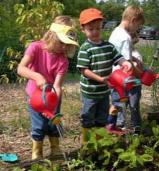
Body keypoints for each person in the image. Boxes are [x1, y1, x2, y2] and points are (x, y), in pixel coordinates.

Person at [17, 15, 78, 160]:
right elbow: (20, 68)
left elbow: (57, 85)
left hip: (52, 97)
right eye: (62, 42)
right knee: (39, 125)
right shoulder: (35, 47)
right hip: (35, 97)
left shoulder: (62, 59)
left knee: (53, 123)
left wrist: (54, 105)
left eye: (67, 45)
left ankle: (55, 149)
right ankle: (37, 153)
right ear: (52, 35)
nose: (64, 47)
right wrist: (37, 77)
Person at [76, 8, 132, 143]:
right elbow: (84, 70)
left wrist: (125, 63)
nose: (95, 32)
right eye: (91, 29)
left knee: (102, 116)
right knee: (88, 116)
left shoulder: (108, 46)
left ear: (102, 27)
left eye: (98, 28)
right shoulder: (85, 49)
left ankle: (99, 141)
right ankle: (87, 143)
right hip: (90, 91)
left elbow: (118, 57)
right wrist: (100, 79)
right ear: (83, 29)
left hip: (104, 90)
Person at [108, 5, 145, 133]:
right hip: (125, 79)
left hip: (114, 77)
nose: (137, 29)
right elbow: (127, 64)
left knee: (117, 104)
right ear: (133, 20)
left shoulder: (115, 32)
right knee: (129, 104)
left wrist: (134, 59)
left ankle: (116, 127)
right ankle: (132, 129)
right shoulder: (125, 38)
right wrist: (142, 74)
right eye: (138, 26)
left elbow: (119, 55)